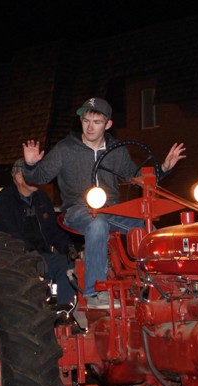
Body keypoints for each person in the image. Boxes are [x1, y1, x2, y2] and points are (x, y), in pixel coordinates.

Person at [22, 97, 186, 309]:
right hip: (77, 210)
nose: (90, 127)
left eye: (96, 122)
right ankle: (94, 292)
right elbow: (39, 176)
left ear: (107, 124)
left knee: (148, 230)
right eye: (86, 120)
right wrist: (30, 164)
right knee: (97, 224)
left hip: (112, 210)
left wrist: (163, 167)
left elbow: (135, 176)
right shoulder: (65, 149)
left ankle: (159, 283)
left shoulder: (116, 150)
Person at [0, 158, 77, 307]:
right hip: (14, 260)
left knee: (68, 265)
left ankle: (64, 311)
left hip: (42, 256)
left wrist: (68, 247)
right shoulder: (2, 202)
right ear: (18, 177)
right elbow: (8, 235)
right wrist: (31, 254)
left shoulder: (41, 198)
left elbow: (53, 230)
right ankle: (36, 313)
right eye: (32, 174)